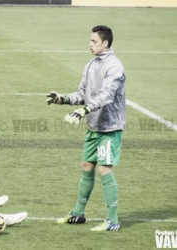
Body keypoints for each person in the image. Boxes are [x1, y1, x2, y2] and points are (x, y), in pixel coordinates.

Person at [47, 25, 126, 231]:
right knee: (87, 166)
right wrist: (62, 99)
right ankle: (78, 214)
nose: (90, 44)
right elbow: (82, 94)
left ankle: (112, 221)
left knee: (104, 169)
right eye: (90, 41)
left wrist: (84, 110)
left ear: (105, 43)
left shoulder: (114, 67)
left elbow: (107, 95)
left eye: (94, 41)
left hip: (109, 129)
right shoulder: (91, 65)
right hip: (94, 127)